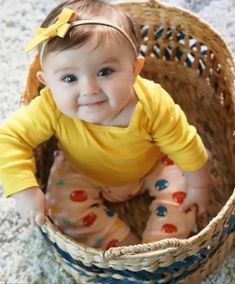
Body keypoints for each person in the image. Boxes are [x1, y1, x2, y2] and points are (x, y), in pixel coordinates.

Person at [0, 0, 210, 249]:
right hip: (82, 171)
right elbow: (9, 138)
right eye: (69, 78)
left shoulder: (153, 102)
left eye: (105, 72)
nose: (89, 90)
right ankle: (123, 248)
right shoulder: (50, 106)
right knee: (61, 209)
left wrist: (199, 186)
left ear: (134, 70)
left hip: (151, 165)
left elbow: (185, 144)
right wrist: (24, 189)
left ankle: (157, 250)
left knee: (186, 192)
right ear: (47, 83)